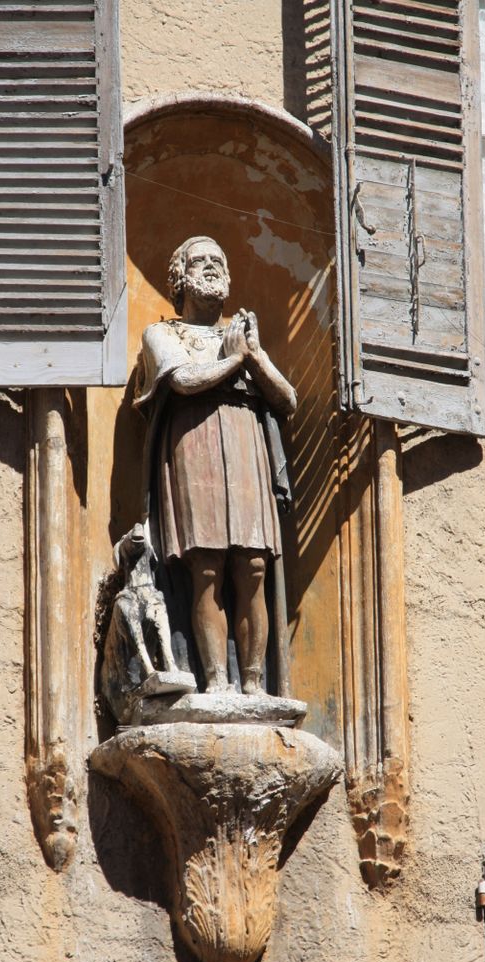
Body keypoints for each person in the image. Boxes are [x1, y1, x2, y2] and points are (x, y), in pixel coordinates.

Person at [134, 236, 296, 695]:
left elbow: (287, 400)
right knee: (206, 569)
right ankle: (218, 684)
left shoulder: (242, 338)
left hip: (247, 448)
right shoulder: (163, 333)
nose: (211, 267)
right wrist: (235, 360)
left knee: (254, 568)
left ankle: (254, 684)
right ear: (179, 278)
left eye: (218, 261)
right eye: (199, 260)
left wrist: (255, 356)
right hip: (194, 447)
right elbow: (183, 379)